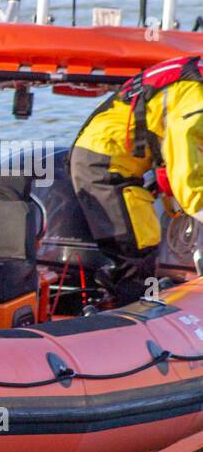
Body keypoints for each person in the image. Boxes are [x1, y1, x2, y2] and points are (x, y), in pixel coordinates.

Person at [70, 54, 203, 306]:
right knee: (136, 249)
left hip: (120, 162)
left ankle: (140, 300)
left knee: (141, 244)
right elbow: (186, 173)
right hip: (102, 162)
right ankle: (132, 310)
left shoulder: (194, 80)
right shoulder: (196, 98)